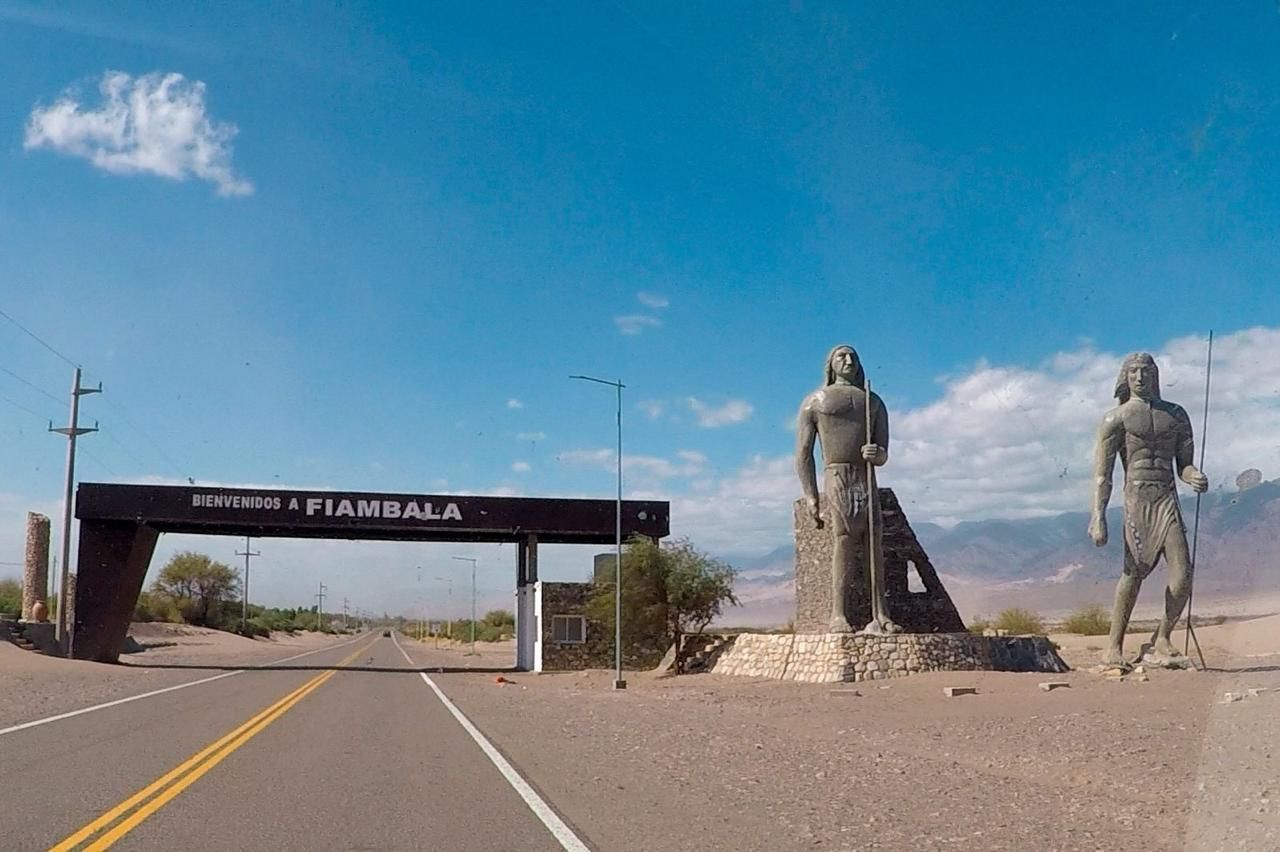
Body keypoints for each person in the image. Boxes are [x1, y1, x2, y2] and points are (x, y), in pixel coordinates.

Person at [1090, 352, 1208, 667]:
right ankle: (1113, 646)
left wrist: (1194, 476)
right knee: (1134, 571)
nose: (1140, 377)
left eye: (1145, 371)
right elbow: (1103, 474)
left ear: (1155, 375)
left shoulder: (1176, 415)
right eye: (1133, 372)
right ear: (1125, 377)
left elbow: (1183, 465)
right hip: (1136, 500)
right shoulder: (1115, 419)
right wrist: (1098, 516)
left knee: (1183, 575)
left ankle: (1162, 639)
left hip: (1167, 499)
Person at [795, 345, 899, 634]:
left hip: (865, 476)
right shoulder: (815, 401)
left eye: (853, 356)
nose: (849, 360)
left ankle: (881, 613)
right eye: (841, 356)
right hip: (837, 474)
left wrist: (876, 454)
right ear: (830, 364)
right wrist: (811, 494)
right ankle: (838, 614)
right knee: (843, 538)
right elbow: (803, 453)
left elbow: (883, 452)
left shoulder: (873, 402)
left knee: (874, 542)